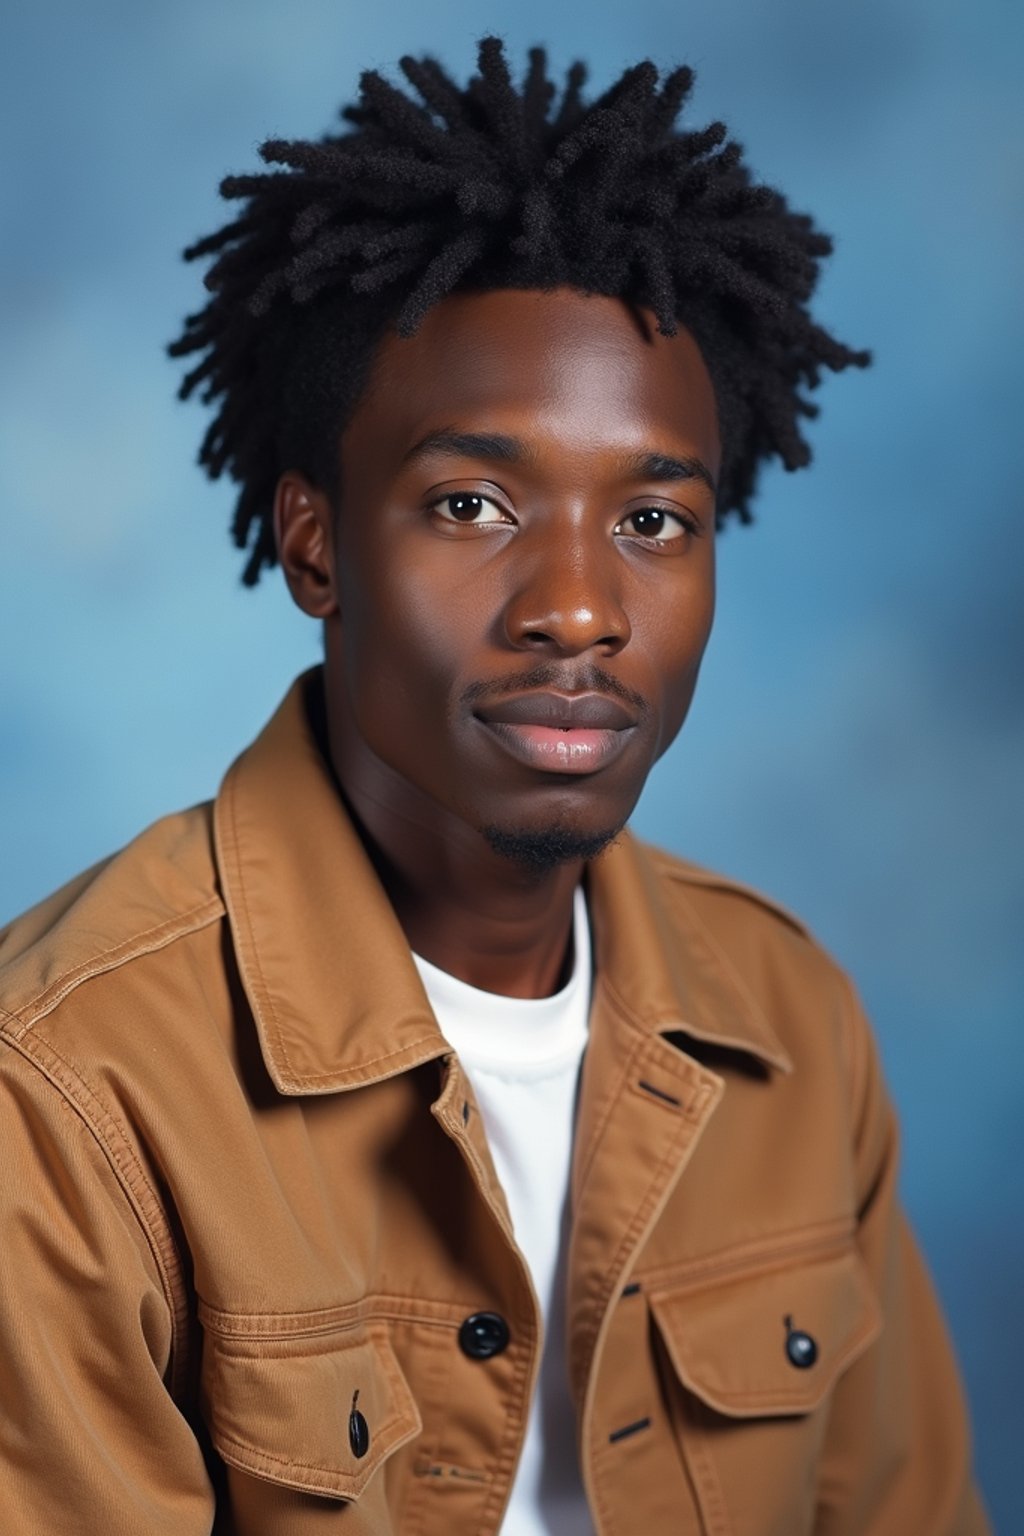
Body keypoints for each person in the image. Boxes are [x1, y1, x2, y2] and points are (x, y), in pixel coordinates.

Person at [0, 38, 989, 1536]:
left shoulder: (794, 1028)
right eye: (473, 504)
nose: (580, 609)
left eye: (655, 517)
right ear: (315, 546)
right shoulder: (66, 1090)